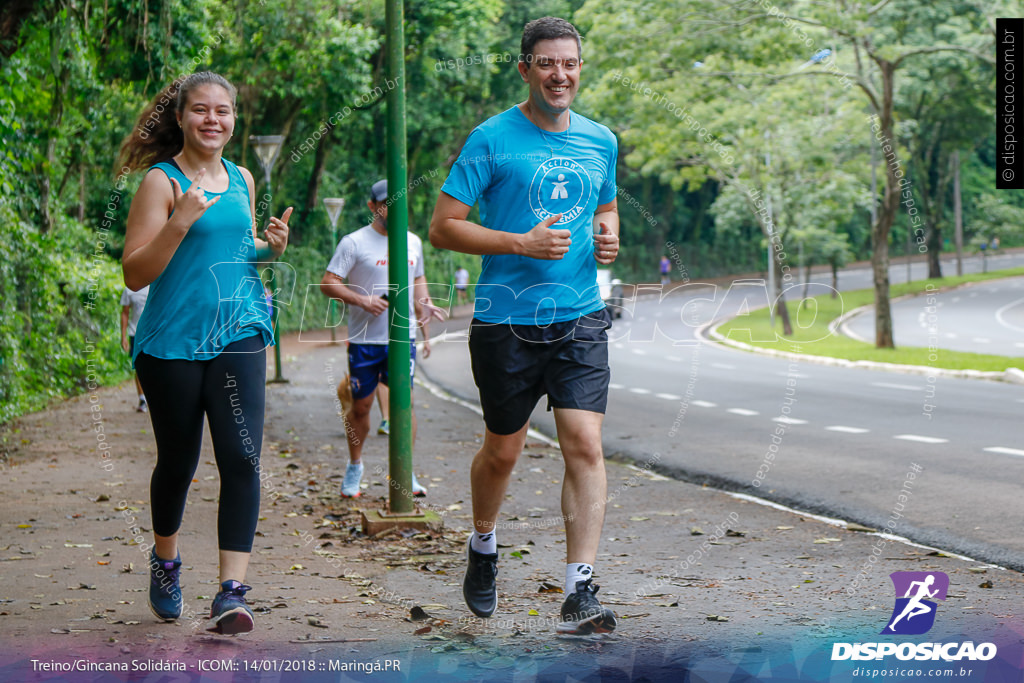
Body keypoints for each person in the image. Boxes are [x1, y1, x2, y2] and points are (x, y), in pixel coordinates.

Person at [429, 16, 620, 635]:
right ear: (525, 69)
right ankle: (483, 544)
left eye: (569, 64)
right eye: (546, 64)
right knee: (503, 453)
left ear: (580, 69)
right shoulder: (490, 139)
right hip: (506, 320)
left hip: (579, 316)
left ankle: (579, 591)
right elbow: (444, 226)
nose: (559, 75)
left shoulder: (601, 141)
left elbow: (607, 203)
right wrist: (519, 242)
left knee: (585, 447)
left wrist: (609, 232)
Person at [119, 71, 291, 635]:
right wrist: (180, 220)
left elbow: (237, 252)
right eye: (200, 110)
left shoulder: (241, 177)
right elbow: (136, 270)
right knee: (179, 463)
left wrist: (269, 250)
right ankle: (166, 563)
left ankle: (231, 593)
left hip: (238, 328)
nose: (212, 120)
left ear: (234, 120)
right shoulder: (161, 182)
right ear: (180, 117)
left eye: (223, 111)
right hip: (171, 341)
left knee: (242, 457)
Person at [320, 179, 445, 499]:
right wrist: (362, 301)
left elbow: (419, 281)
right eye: (387, 202)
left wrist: (426, 310)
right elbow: (328, 283)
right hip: (365, 341)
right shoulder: (353, 242)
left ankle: (406, 471)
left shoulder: (412, 242)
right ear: (373, 207)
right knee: (361, 408)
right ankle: (355, 466)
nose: (393, 208)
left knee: (405, 405)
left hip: (402, 340)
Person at [120, 285, 150, 412]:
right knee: (139, 366)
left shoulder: (155, 284)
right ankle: (142, 398)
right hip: (135, 333)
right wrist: (123, 336)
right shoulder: (130, 289)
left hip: (153, 332)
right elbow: (125, 313)